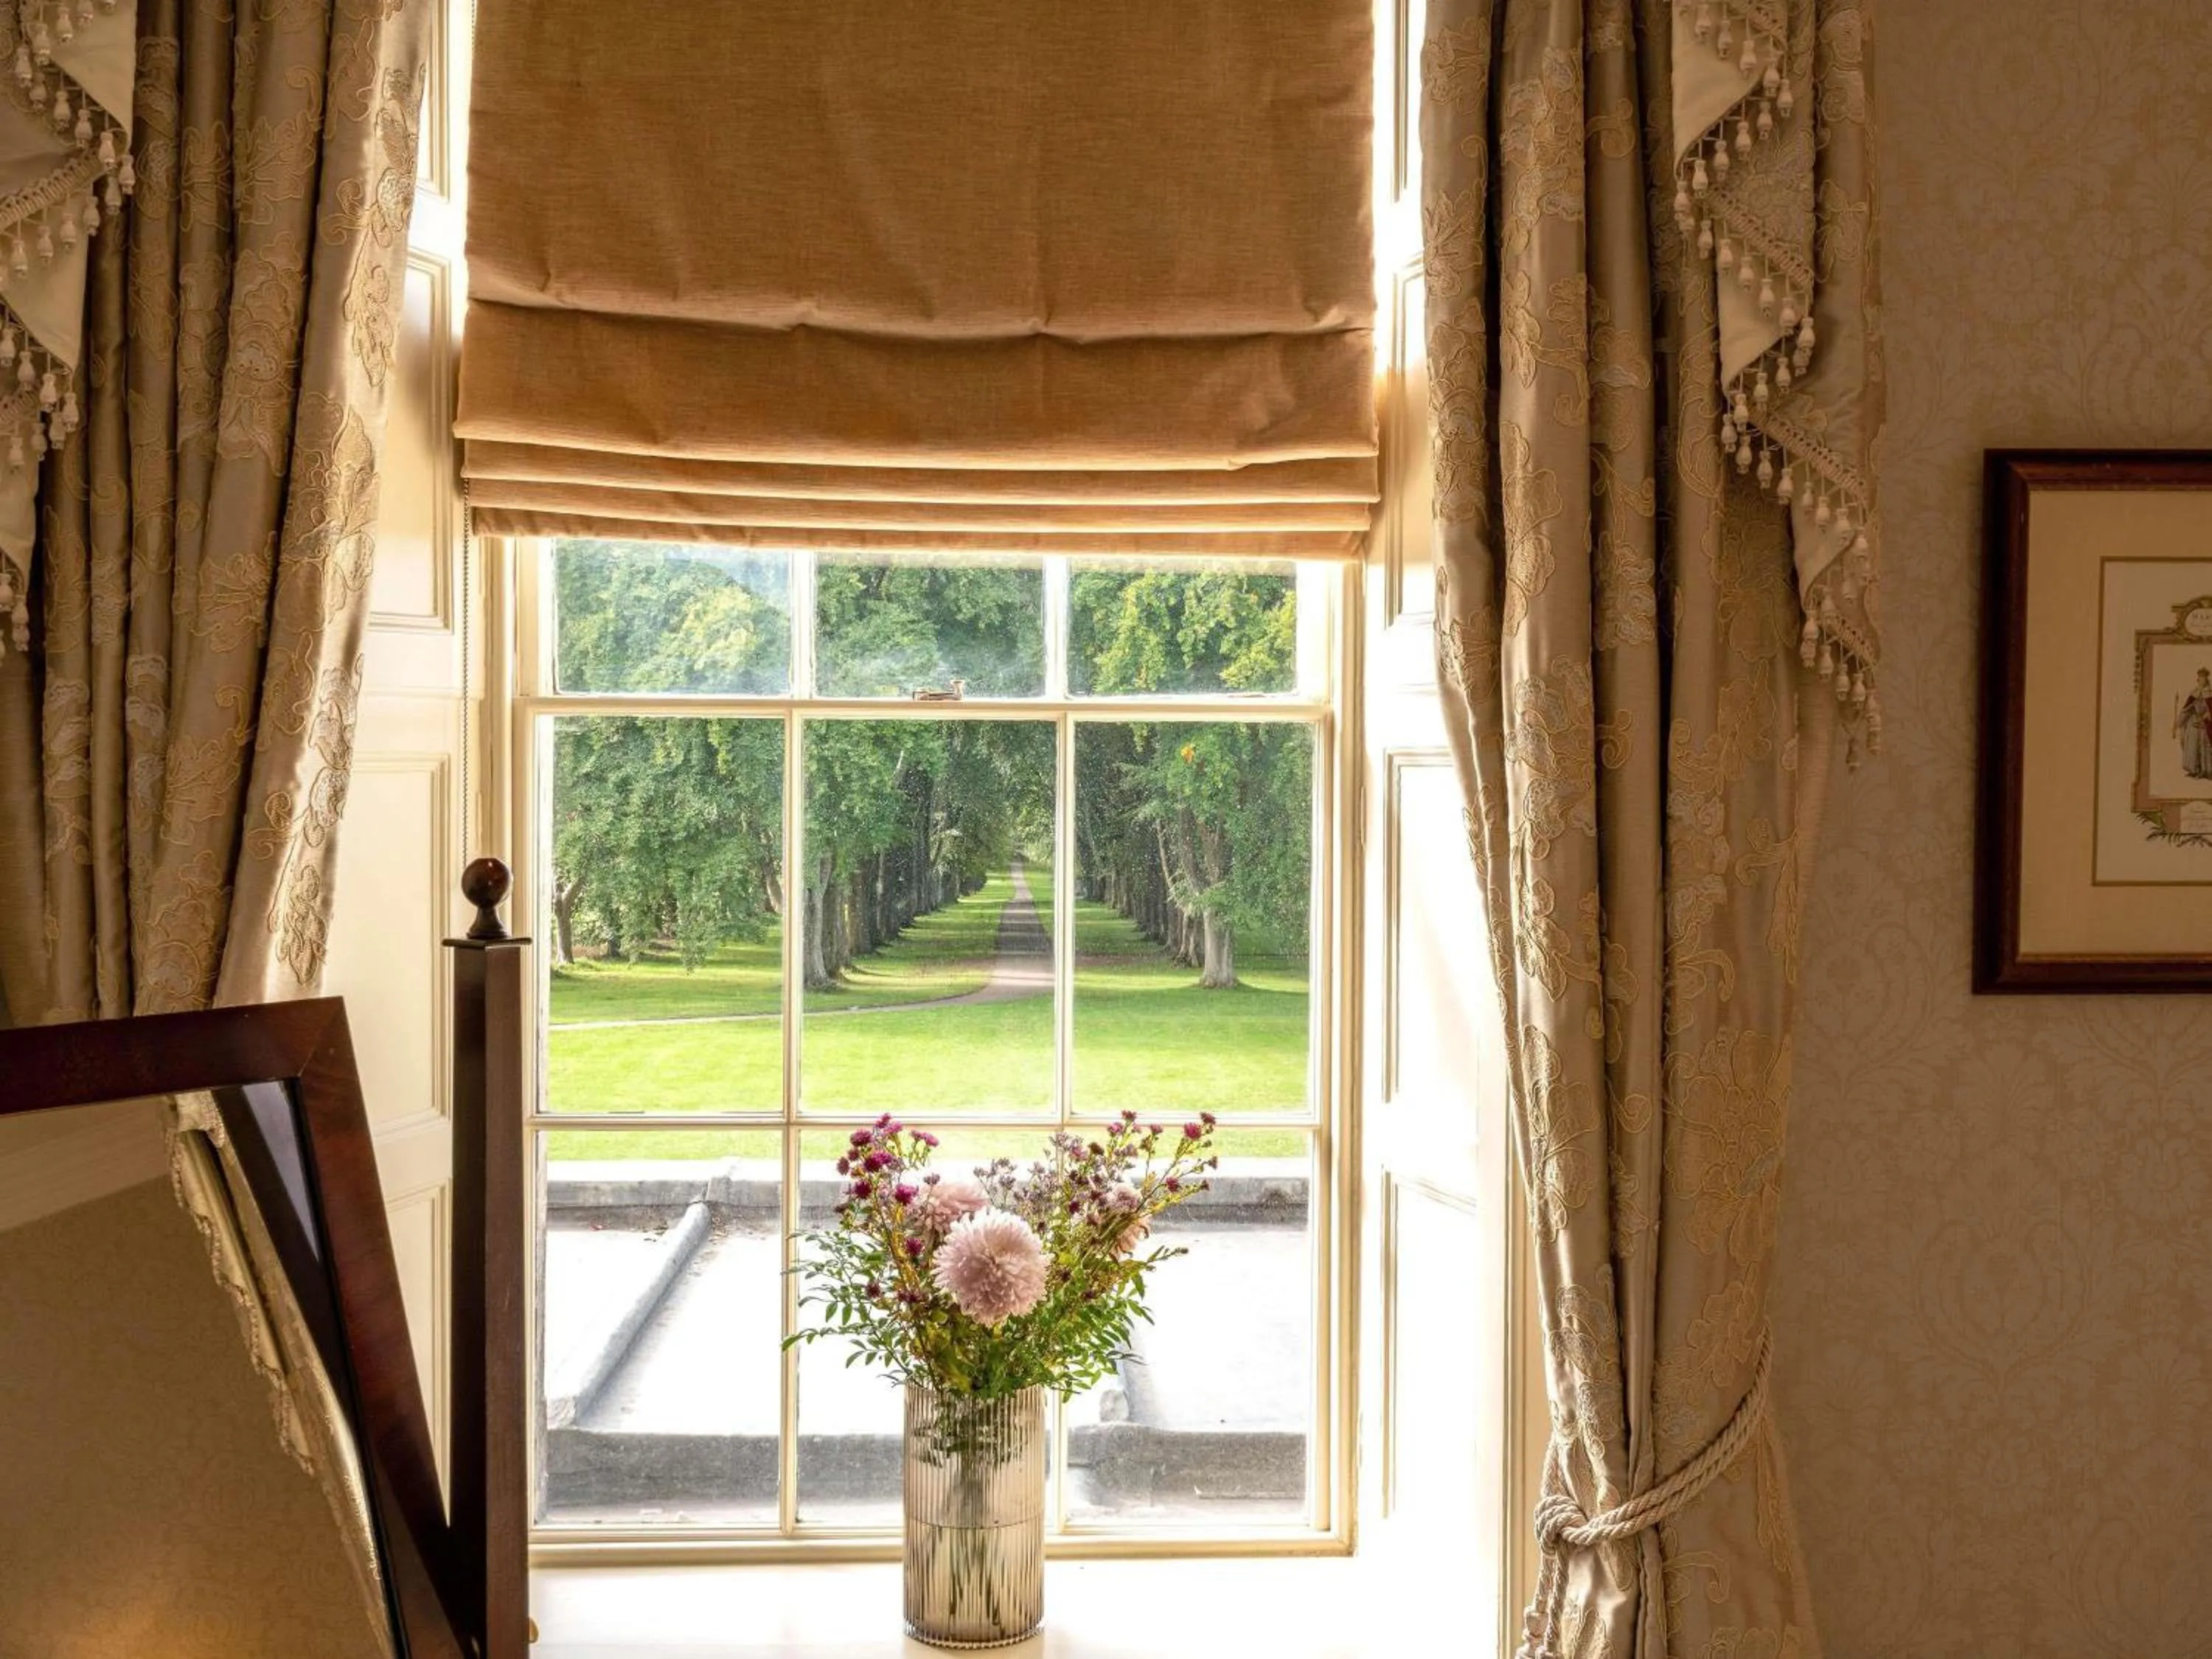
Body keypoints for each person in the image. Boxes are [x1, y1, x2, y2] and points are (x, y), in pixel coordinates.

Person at [2177, 667, 2212, 779]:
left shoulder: (2210, 693)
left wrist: (2207, 715)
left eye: (2204, 679)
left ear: (2207, 680)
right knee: (2193, 744)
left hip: (2206, 724)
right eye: (2201, 678)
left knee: (2204, 746)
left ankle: (2206, 771)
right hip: (2194, 721)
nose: (2202, 680)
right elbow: (2187, 708)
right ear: (2198, 679)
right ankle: (2195, 769)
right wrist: (2180, 721)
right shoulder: (2194, 692)